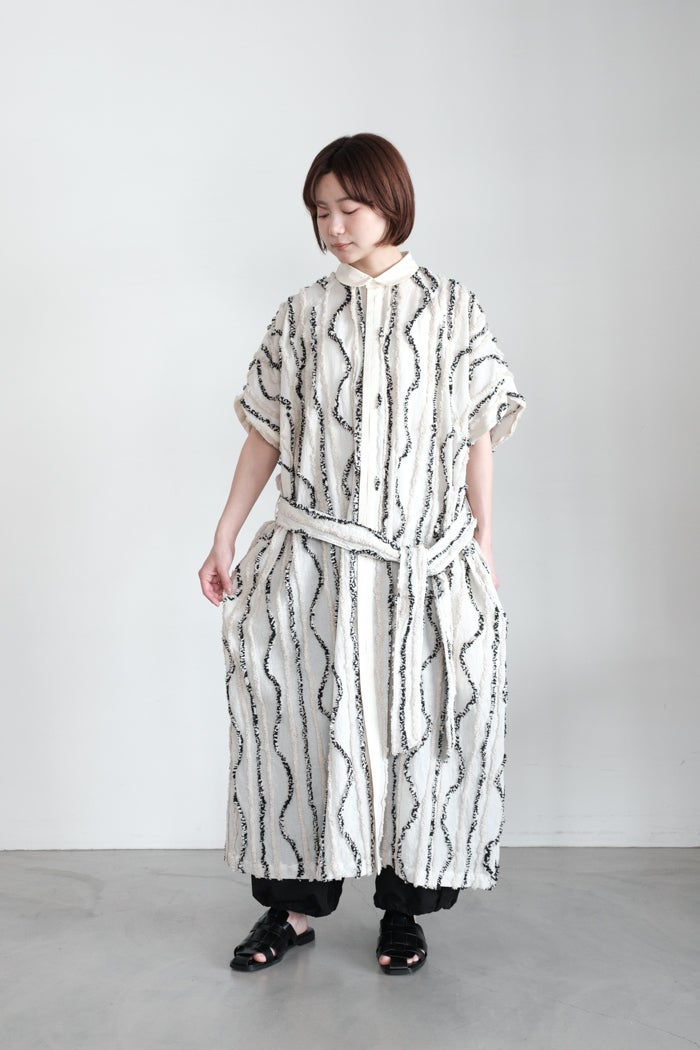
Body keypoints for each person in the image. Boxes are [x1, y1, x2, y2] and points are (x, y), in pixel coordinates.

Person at [198, 132, 526, 976]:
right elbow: (265, 433)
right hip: (315, 564)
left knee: (419, 734)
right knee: (298, 729)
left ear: (391, 204)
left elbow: (478, 434)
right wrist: (226, 531)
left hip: (424, 565)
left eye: (350, 207)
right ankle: (291, 911)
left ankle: (403, 913)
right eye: (321, 212)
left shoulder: (453, 309)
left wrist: (483, 541)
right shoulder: (302, 315)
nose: (335, 226)